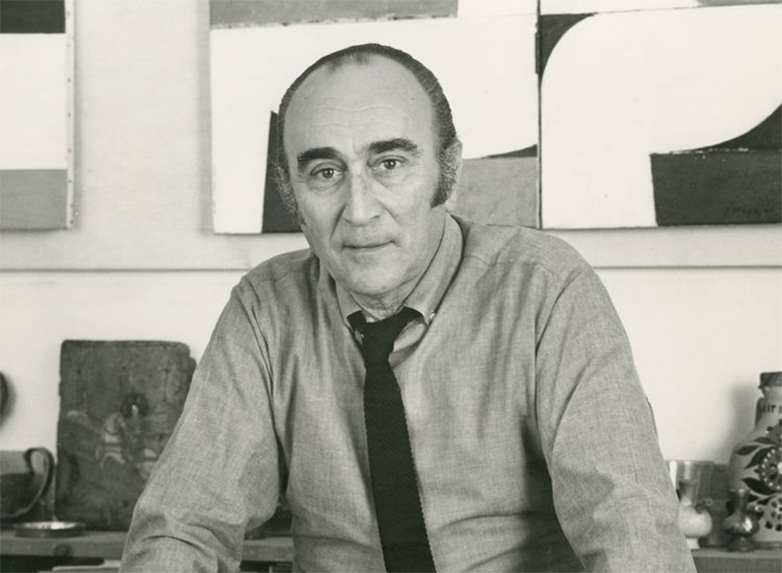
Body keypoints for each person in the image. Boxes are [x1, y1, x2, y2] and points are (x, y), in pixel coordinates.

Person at [121, 44, 695, 572]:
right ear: (291, 194)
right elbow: (184, 525)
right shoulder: (265, 308)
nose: (360, 211)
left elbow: (629, 525)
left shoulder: (545, 289)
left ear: (449, 170)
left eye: (389, 164)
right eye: (325, 173)